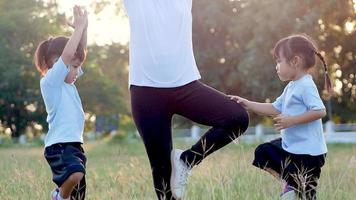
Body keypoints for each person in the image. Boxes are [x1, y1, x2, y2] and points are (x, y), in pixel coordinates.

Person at [123, 1, 249, 199]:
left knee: (237, 118)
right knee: (163, 180)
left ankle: (186, 161)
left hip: (186, 86)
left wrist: (190, 158)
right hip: (146, 93)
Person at [231, 34, 331, 200]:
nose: (276, 66)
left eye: (279, 61)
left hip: (309, 154)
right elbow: (274, 108)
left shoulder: (306, 85)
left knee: (307, 196)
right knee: (262, 152)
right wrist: (248, 104)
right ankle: (291, 182)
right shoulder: (291, 86)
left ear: (295, 61)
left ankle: (295, 186)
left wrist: (292, 120)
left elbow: (320, 111)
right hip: (293, 148)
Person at [34, 6, 88, 200]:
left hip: (75, 145)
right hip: (59, 145)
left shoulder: (68, 84)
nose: (76, 71)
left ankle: (65, 196)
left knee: (79, 194)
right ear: (55, 63)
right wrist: (78, 30)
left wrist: (84, 27)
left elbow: (78, 54)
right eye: (72, 67)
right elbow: (67, 57)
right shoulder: (51, 82)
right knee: (75, 173)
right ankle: (59, 196)